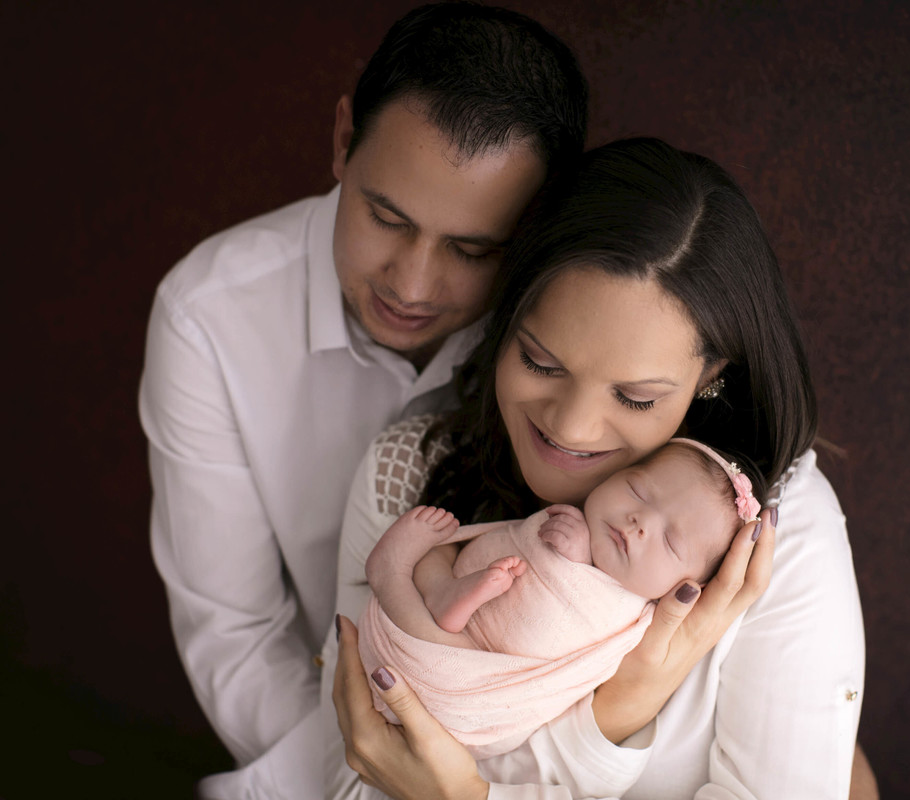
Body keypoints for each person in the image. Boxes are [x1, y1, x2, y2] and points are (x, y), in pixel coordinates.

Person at [323, 138, 866, 799]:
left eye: (636, 397)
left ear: (709, 378)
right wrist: (614, 712)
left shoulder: (767, 531)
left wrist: (467, 795)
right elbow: (352, 780)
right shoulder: (410, 471)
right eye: (541, 364)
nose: (571, 428)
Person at [137, 4, 587, 796]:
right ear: (343, 140)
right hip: (325, 744)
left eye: (472, 249)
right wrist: (373, 782)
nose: (413, 286)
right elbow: (236, 635)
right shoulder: (208, 317)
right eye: (387, 217)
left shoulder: (581, 343)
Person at [356, 438, 764, 759]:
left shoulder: (630, 617)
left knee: (448, 648)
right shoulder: (572, 515)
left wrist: (575, 564)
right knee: (440, 556)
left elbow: (575, 654)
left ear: (689, 587)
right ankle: (444, 593)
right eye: (637, 491)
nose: (640, 522)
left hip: (467, 700)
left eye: (671, 541)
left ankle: (391, 575)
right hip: (414, 642)